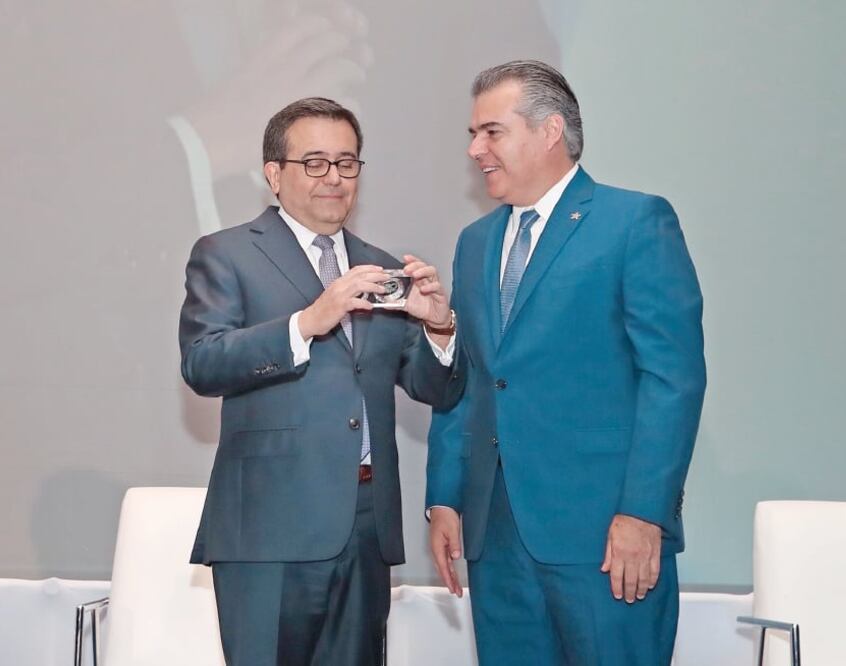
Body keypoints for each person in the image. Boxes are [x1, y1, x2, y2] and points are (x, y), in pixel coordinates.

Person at [426, 61, 706, 665]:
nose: (475, 149)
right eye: (473, 134)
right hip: (495, 539)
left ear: (549, 131)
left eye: (491, 132)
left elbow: (672, 381)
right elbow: (474, 380)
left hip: (605, 539)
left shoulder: (634, 222)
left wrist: (642, 512)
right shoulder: (474, 244)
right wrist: (445, 496)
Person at [179, 97, 464, 665]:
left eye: (347, 162)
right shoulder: (227, 253)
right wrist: (307, 323)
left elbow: (437, 390)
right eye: (314, 163)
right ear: (273, 175)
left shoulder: (381, 268)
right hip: (269, 529)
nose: (333, 177)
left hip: (365, 524)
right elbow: (202, 364)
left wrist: (439, 326)